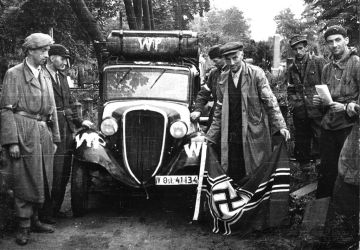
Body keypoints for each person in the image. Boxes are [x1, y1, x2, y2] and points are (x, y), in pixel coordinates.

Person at [0, 33, 60, 245]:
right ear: (30, 51)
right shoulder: (14, 74)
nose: (47, 55)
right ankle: (23, 227)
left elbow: (52, 108)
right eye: (43, 51)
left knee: (42, 177)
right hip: (24, 132)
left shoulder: (44, 74)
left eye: (47, 51)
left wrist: (55, 137)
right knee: (24, 179)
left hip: (43, 132)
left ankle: (35, 220)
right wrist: (12, 141)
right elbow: (6, 110)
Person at [206, 42, 290, 182]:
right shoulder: (223, 78)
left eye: (235, 58)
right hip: (231, 132)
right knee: (233, 167)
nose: (232, 62)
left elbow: (270, 102)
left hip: (253, 131)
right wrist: (210, 136)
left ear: (242, 55)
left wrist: (281, 126)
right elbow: (219, 111)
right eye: (228, 59)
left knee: (255, 168)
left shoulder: (256, 73)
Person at [41, 44, 93, 223]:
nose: (65, 62)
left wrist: (80, 121)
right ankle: (45, 213)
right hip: (50, 127)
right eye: (62, 58)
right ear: (51, 57)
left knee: (63, 171)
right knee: (51, 171)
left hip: (67, 128)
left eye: (66, 59)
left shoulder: (62, 76)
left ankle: (55, 209)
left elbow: (70, 102)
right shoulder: (42, 75)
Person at [313, 25, 360, 198]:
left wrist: (348, 107)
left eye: (338, 40)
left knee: (348, 169)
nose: (334, 45)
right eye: (330, 42)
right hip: (328, 125)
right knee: (327, 167)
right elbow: (326, 103)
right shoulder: (326, 68)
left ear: (346, 40)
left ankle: (346, 211)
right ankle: (323, 205)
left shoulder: (356, 63)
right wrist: (320, 102)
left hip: (349, 127)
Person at [287, 34, 326, 171]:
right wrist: (294, 102)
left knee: (319, 135)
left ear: (306, 47)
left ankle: (320, 163)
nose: (298, 52)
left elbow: (325, 83)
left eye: (300, 48)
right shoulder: (292, 67)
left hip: (316, 107)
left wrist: (322, 101)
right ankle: (304, 166)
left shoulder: (318, 61)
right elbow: (290, 88)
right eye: (295, 49)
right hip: (300, 109)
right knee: (301, 136)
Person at [191, 45, 227, 130]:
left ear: (224, 58)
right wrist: (198, 110)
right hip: (215, 115)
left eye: (216, 61)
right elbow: (204, 94)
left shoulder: (233, 73)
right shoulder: (214, 73)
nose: (214, 64)